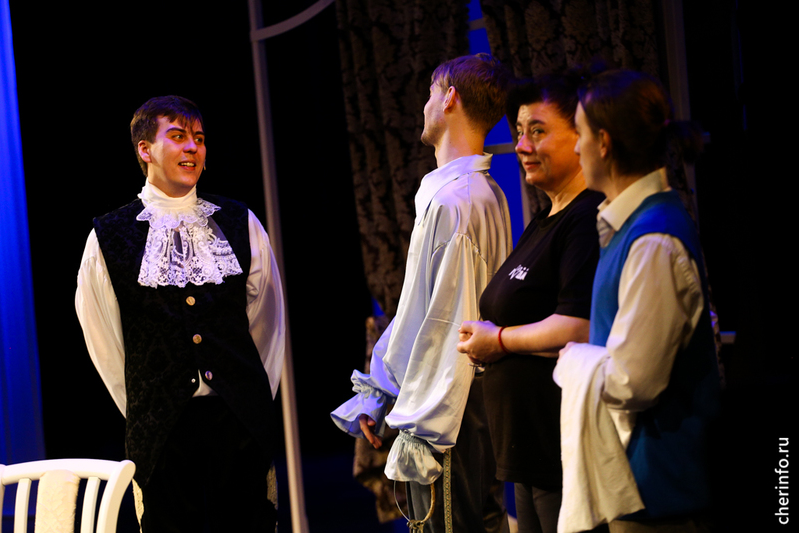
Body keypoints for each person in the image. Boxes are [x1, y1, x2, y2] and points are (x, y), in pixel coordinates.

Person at [75, 95, 285, 532]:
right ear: (145, 149)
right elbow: (105, 341)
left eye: (199, 139)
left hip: (238, 425)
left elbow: (267, 323)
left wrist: (246, 401)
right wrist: (149, 406)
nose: (192, 147)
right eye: (177, 136)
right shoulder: (109, 236)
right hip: (162, 433)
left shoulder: (240, 222)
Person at [331, 54, 512, 533]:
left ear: (449, 97)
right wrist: (381, 391)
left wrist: (423, 428)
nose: (426, 104)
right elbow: (421, 310)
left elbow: (449, 329)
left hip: (450, 415)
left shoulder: (460, 201)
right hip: (458, 408)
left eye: (432, 92)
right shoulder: (472, 193)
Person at [555, 69, 719, 533]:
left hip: (660, 488)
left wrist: (574, 361)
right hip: (638, 485)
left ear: (604, 142)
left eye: (580, 134)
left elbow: (633, 380)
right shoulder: (631, 226)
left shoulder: (653, 241)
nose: (576, 148)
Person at [456, 73, 604, 533]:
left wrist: (498, 340)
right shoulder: (544, 221)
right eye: (519, 132)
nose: (522, 145)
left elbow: (579, 327)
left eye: (537, 131)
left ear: (581, 135)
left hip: (561, 449)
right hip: (526, 453)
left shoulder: (587, 219)